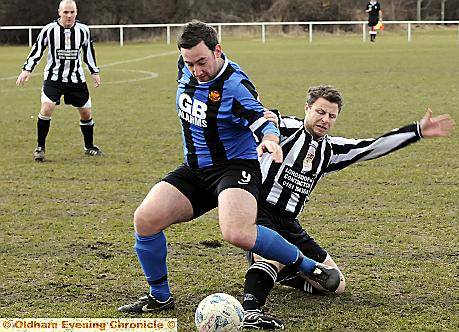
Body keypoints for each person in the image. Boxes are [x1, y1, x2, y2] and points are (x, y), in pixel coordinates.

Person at [118, 21, 342, 314]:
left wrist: (271, 141)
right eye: (190, 63)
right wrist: (190, 65)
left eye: (202, 62)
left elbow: (264, 120)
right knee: (145, 220)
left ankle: (307, 266)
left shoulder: (236, 86)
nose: (197, 70)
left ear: (217, 50)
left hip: (234, 168)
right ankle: (160, 297)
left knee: (237, 232)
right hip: (196, 170)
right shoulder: (185, 68)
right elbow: (190, 69)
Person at [241, 85, 455, 329]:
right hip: (258, 212)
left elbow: (372, 146)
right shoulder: (283, 127)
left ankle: (284, 272)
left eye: (331, 116)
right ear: (307, 108)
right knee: (272, 257)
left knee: (335, 285)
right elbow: (257, 116)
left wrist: (416, 131)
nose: (325, 120)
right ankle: (251, 311)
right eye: (320, 112)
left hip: (290, 223)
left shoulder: (330, 150)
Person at [16, 0, 102, 162]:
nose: (69, 16)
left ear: (76, 12)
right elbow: (37, 50)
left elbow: (89, 52)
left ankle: (89, 147)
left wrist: (94, 71)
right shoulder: (49, 30)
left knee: (86, 113)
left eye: (72, 12)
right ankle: (40, 147)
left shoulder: (83, 30)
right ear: (59, 12)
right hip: (53, 78)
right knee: (47, 108)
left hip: (76, 79)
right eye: (65, 12)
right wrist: (27, 69)